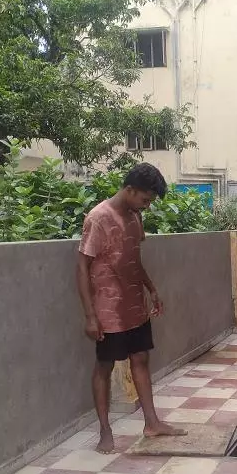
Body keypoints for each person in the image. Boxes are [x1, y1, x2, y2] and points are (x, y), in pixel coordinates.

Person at [76, 163, 186, 453]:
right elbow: (81, 267)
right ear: (130, 189)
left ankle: (152, 423)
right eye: (145, 199)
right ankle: (104, 430)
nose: (147, 206)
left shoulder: (135, 216)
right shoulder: (98, 218)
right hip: (108, 312)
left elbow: (133, 260)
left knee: (141, 360)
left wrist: (151, 289)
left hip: (135, 306)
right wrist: (90, 316)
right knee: (104, 366)